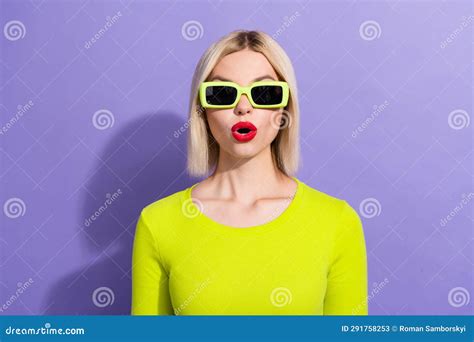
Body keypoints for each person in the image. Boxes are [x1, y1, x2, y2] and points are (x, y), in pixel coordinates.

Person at [131, 30, 368, 315]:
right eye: (222, 93)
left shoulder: (337, 222)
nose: (243, 107)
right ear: (202, 110)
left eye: (264, 92)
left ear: (283, 109)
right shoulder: (158, 223)